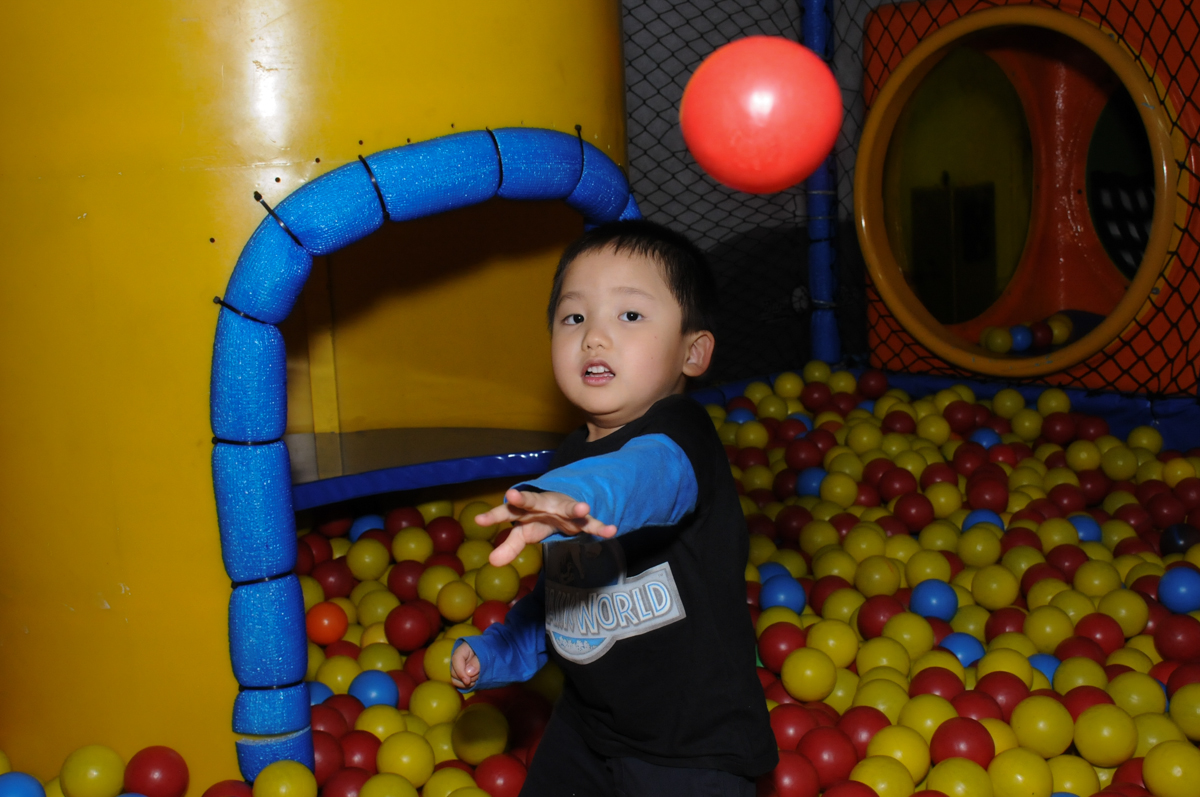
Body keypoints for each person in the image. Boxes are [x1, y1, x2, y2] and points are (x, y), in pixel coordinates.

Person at [450, 220, 776, 796]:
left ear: (693, 352)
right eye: (574, 317)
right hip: (589, 727)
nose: (594, 337)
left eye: (629, 316)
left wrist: (582, 499)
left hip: (693, 747)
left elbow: (647, 475)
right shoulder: (568, 461)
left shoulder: (683, 437)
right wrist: (504, 649)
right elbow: (565, 597)